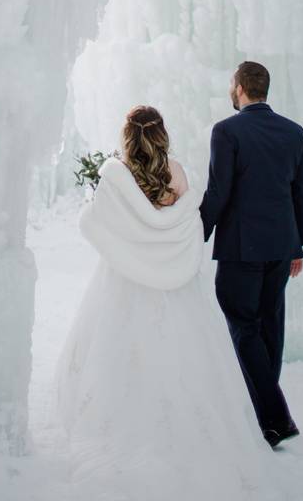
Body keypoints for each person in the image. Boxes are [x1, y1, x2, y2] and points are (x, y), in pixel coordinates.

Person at [55, 105, 277, 500]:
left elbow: (102, 224)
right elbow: (189, 224)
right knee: (185, 355)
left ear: (127, 135)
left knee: (122, 352)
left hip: (125, 281)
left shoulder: (116, 175)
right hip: (175, 286)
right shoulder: (176, 172)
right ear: (161, 133)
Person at [199, 61, 303, 447]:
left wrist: (196, 230)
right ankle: (265, 416)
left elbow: (219, 191)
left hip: (241, 249)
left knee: (244, 325)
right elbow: (300, 191)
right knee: (268, 327)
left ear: (241, 88)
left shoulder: (227, 131)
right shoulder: (294, 133)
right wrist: (299, 245)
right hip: (282, 247)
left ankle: (275, 417)